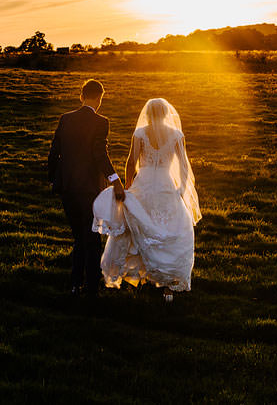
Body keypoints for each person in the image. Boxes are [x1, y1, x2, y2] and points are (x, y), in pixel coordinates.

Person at [92, 97, 201, 301]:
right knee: (168, 229)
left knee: (139, 227)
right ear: (166, 114)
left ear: (149, 114)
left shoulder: (140, 133)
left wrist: (128, 185)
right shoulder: (177, 135)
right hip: (166, 184)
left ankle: (141, 278)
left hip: (144, 182)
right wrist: (181, 189)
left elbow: (131, 161)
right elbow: (184, 167)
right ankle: (167, 285)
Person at [48, 78, 123, 296]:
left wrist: (54, 179)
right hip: (90, 189)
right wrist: (115, 180)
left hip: (67, 187)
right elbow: (100, 154)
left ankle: (75, 284)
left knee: (79, 237)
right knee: (91, 238)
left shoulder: (65, 119)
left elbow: (54, 152)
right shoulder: (101, 122)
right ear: (100, 98)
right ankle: (90, 287)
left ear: (81, 96)